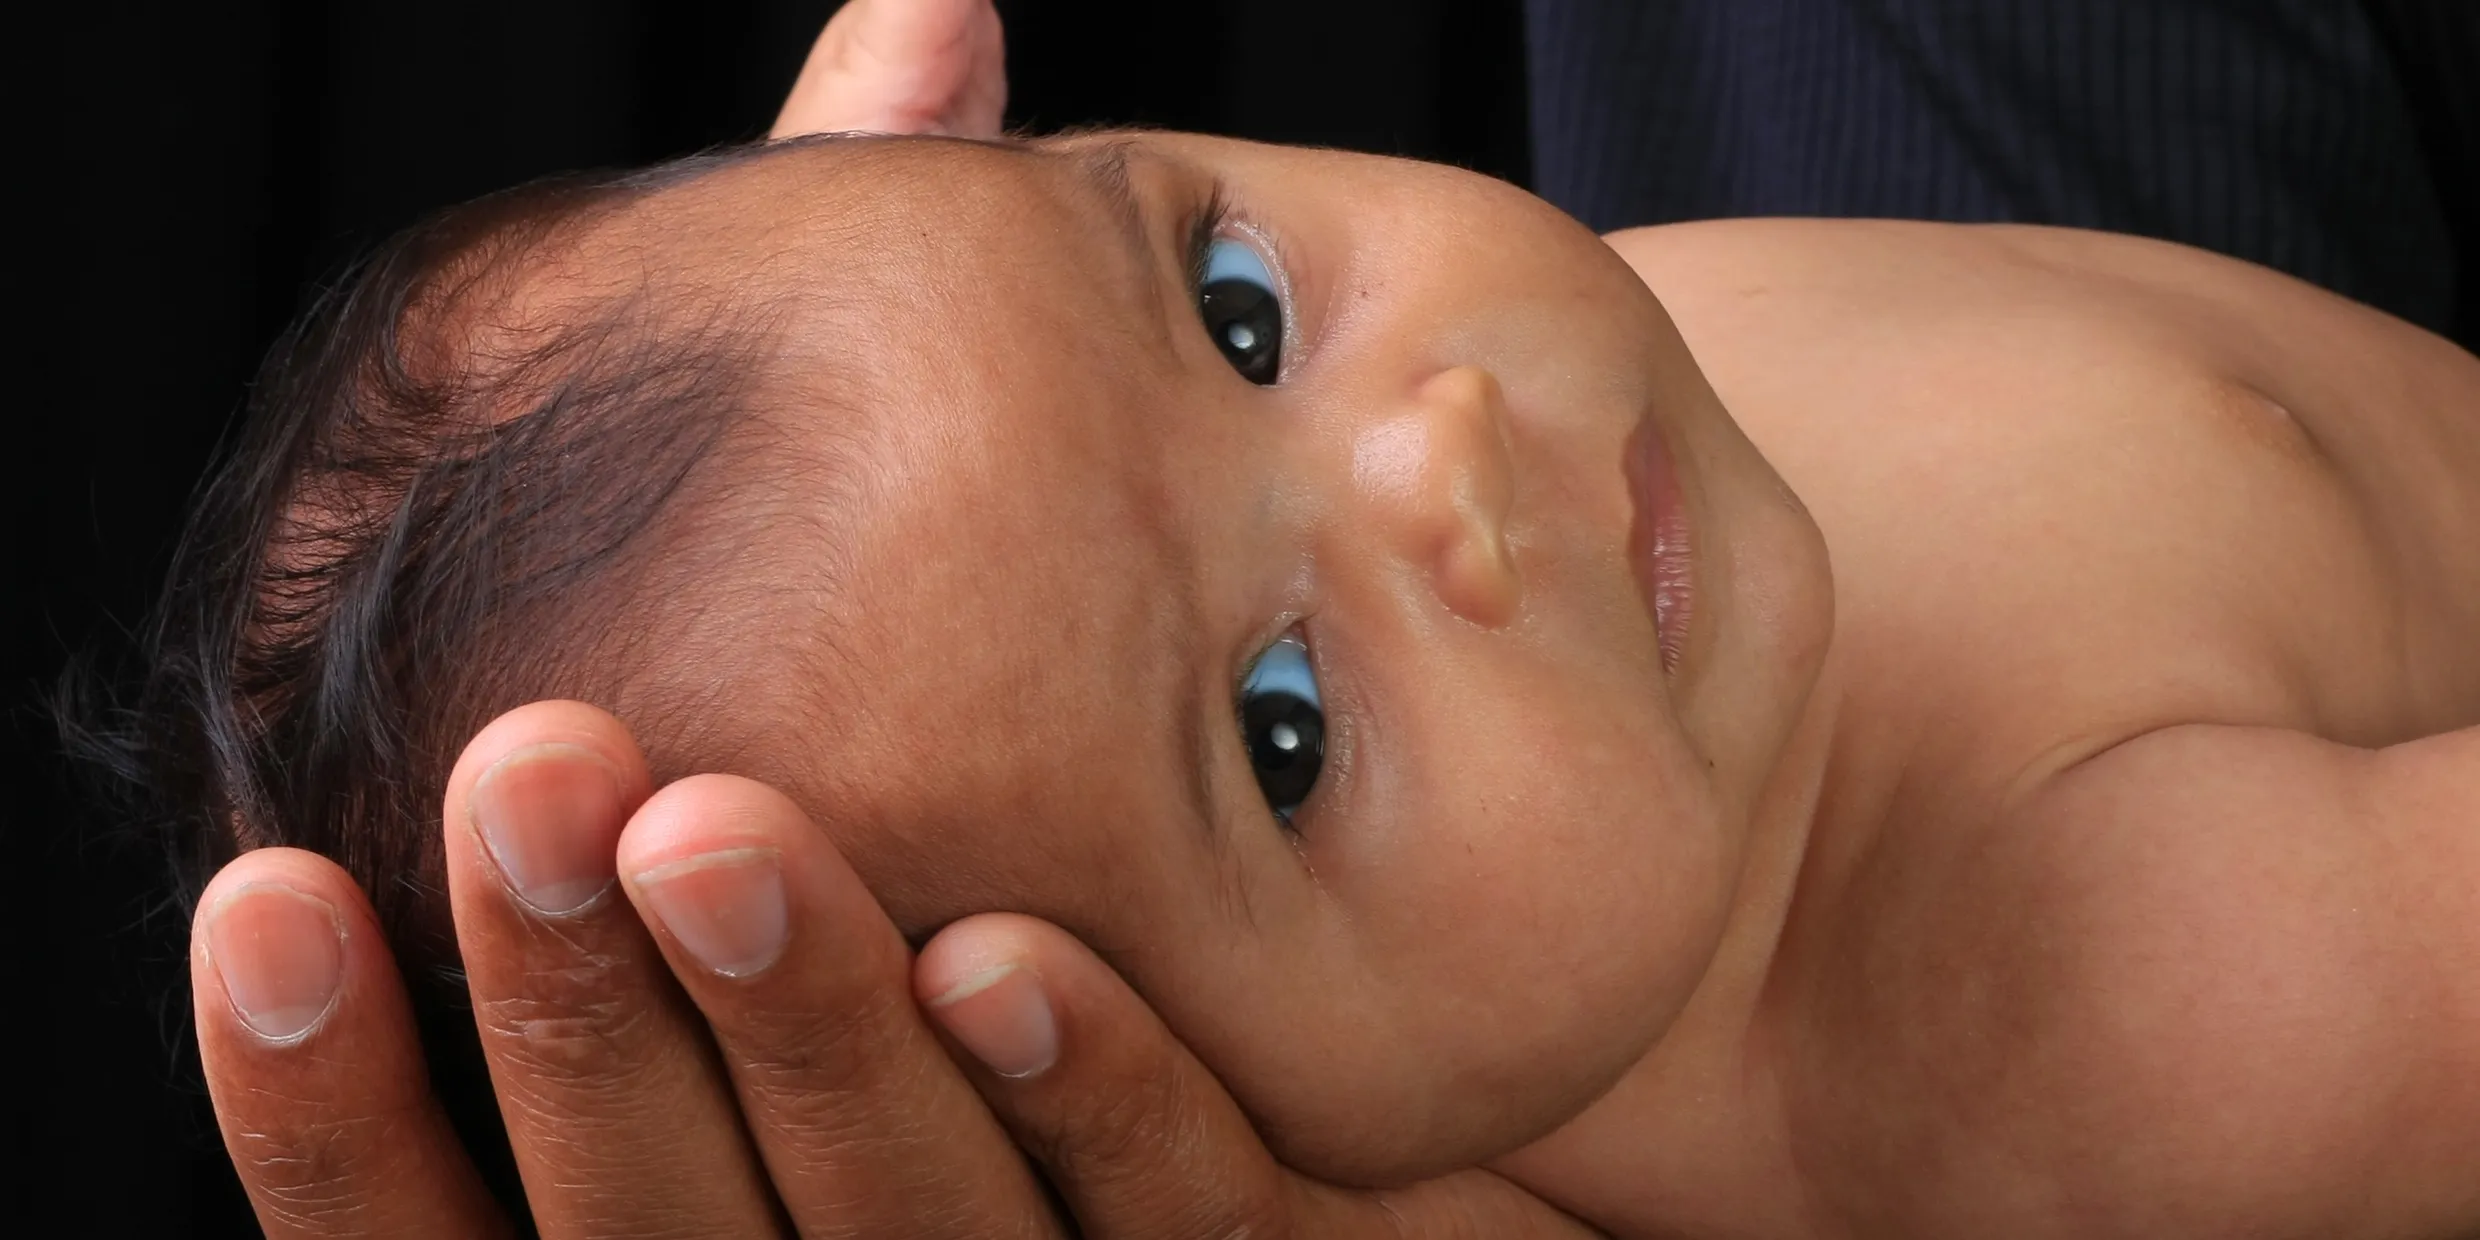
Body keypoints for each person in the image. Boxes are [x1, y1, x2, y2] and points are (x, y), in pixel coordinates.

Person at [160, 2, 2479, 1236]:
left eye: (1234, 303)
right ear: (1225, 1124)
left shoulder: (1620, 484)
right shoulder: (2054, 1011)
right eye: (1283, 734)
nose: (1443, 459)